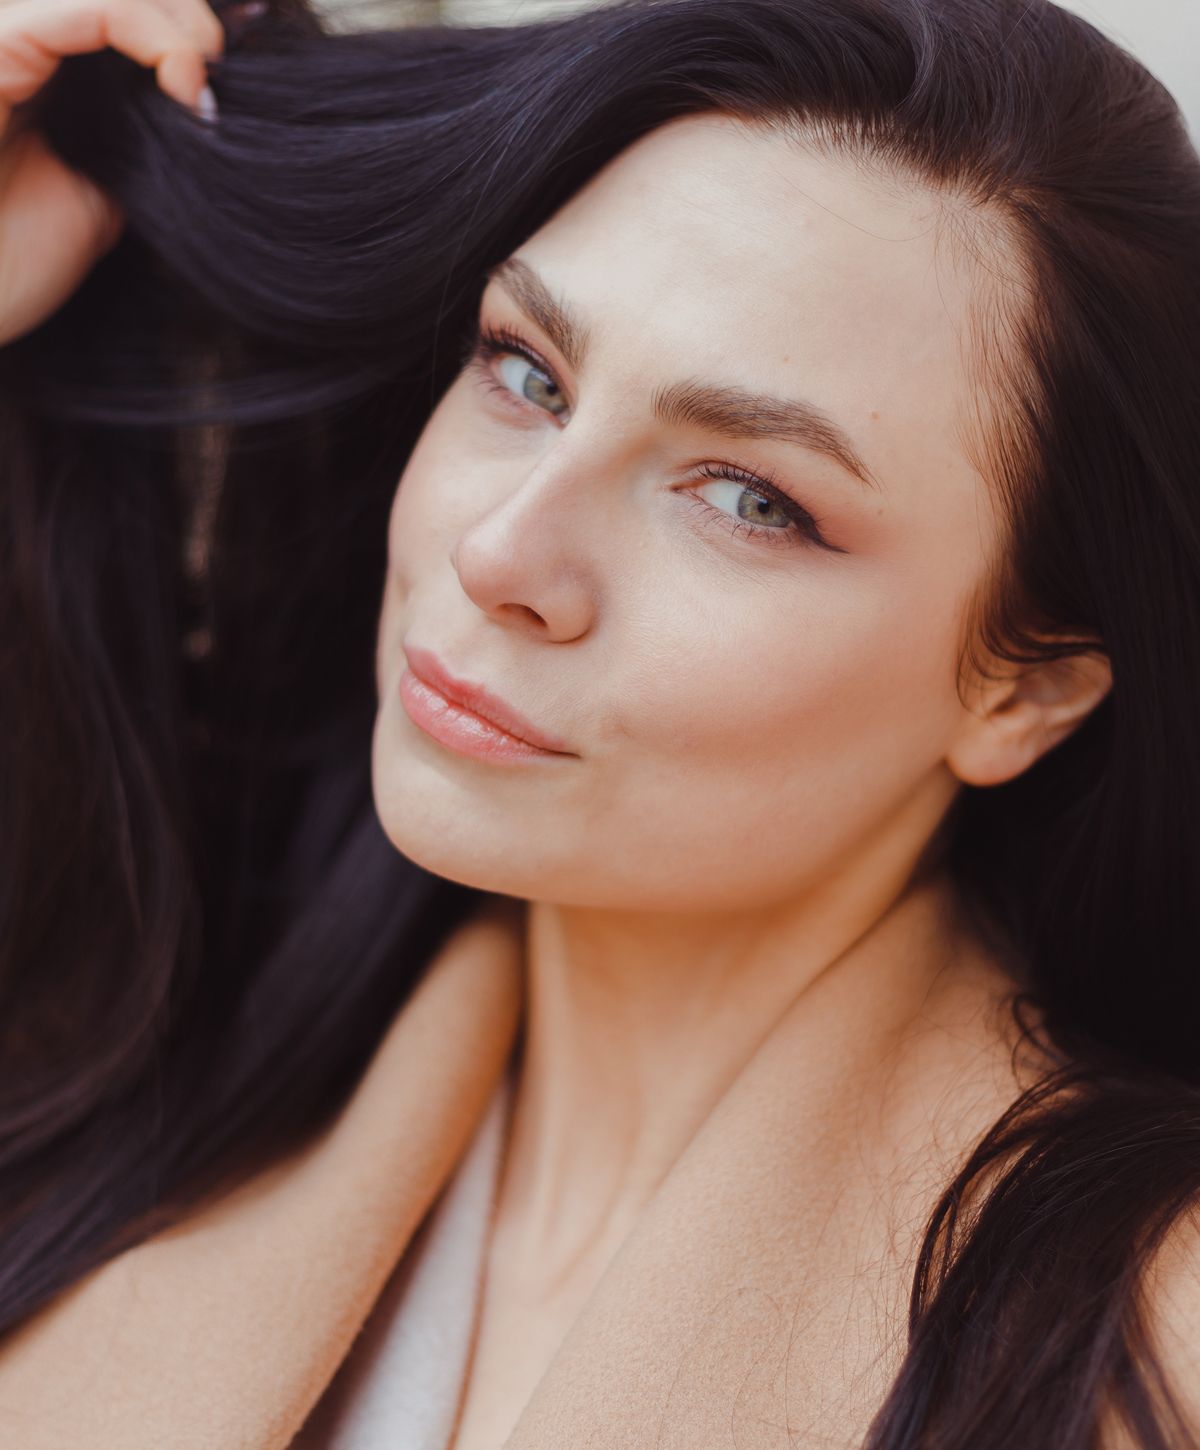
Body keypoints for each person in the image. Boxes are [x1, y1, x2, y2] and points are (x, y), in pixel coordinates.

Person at [1, 0, 1198, 1445]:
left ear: (1023, 688)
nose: (500, 554)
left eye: (750, 498)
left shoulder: (1147, 1345)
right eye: (527, 372)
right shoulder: (138, 1014)